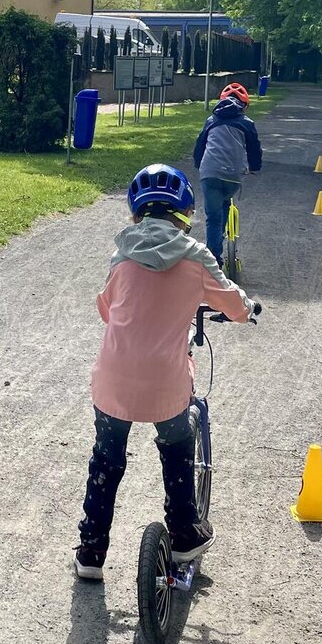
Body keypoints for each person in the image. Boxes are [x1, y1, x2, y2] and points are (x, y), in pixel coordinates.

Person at [75, 163, 259, 580]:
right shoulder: (196, 256)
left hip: (114, 378)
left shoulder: (122, 254)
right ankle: (183, 533)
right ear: (185, 214)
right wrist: (246, 310)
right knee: (177, 447)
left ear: (136, 213)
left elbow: (106, 309)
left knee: (106, 460)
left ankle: (90, 553)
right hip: (165, 381)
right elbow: (231, 302)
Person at [193, 82, 263, 265]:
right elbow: (254, 149)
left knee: (213, 219)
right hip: (233, 175)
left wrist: (198, 164)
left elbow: (200, 146)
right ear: (244, 106)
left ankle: (214, 260)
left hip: (210, 173)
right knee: (225, 200)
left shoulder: (211, 120)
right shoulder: (247, 123)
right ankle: (221, 242)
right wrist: (255, 167)